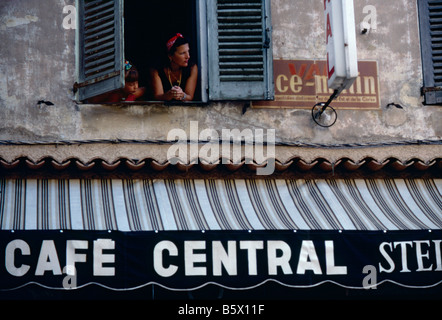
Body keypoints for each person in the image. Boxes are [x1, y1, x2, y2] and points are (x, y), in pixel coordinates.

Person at [150, 33, 198, 101]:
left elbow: (189, 97)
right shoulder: (157, 70)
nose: (188, 56)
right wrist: (169, 95)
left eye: (188, 51)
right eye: (182, 53)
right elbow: (157, 97)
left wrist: (182, 95)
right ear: (170, 56)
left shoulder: (192, 68)